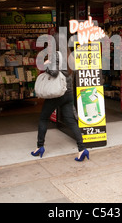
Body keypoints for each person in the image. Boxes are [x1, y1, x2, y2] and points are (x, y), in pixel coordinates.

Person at [31, 34, 89, 162]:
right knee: (71, 121)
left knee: (43, 118)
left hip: (57, 94)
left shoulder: (56, 55)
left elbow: (54, 72)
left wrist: (45, 64)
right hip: (67, 94)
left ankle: (39, 147)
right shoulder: (69, 55)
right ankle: (82, 148)